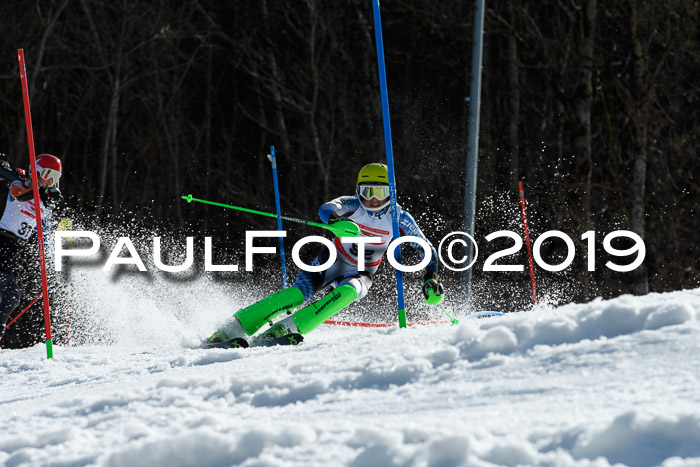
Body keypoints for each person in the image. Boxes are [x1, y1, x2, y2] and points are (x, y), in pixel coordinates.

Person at [208, 162, 444, 347]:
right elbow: (327, 208)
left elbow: (426, 249)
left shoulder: (398, 217)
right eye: (367, 191)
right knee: (296, 295)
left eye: (380, 192)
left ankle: (286, 328)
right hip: (330, 260)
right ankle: (232, 328)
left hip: (362, 272)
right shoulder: (353, 204)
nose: (372, 198)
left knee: (348, 293)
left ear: (390, 192)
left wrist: (431, 278)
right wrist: (335, 221)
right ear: (358, 191)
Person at [0, 153, 63, 343]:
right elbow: (20, 194)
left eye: (56, 177)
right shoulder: (17, 185)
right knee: (10, 295)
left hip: (16, 251)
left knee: (10, 298)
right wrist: (41, 192)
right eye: (47, 173)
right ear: (36, 172)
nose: (51, 180)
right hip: (2, 242)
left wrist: (51, 264)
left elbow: (45, 235)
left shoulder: (45, 205)